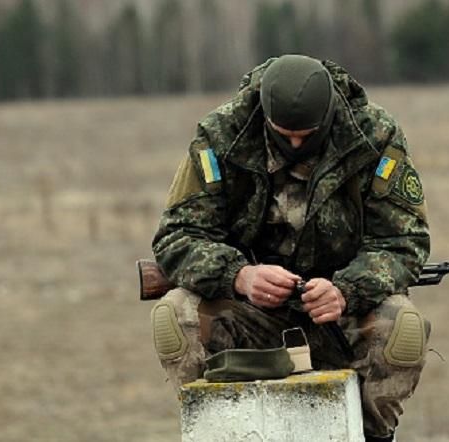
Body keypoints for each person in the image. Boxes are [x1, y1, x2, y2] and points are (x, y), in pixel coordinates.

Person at [150, 54, 430, 442]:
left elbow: (405, 241)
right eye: (283, 134)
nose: (295, 144)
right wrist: (240, 277)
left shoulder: (373, 136)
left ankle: (368, 435)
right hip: (251, 311)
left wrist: (346, 291)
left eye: (307, 135)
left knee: (402, 327)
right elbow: (177, 235)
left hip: (341, 313)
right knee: (175, 315)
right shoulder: (221, 136)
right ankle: (217, 428)